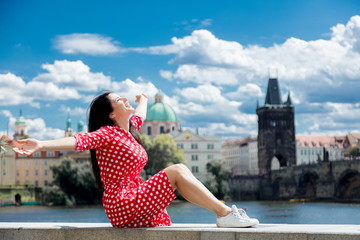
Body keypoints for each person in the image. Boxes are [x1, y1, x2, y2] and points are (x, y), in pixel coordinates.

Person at [13, 92, 259, 228]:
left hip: (133, 197)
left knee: (169, 200)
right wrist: (41, 144)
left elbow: (140, 114)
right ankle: (225, 213)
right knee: (177, 170)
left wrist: (142, 101)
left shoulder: (130, 130)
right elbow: (80, 141)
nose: (124, 99)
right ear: (111, 114)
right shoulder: (106, 133)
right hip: (121, 201)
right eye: (120, 100)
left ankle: (224, 214)